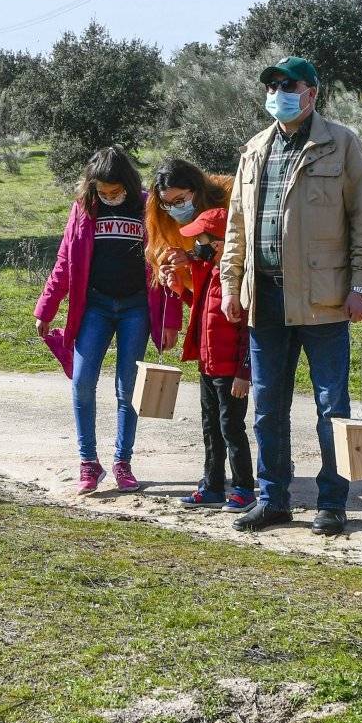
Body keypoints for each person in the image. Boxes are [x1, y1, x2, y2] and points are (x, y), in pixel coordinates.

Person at [216, 55, 362, 537]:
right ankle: (273, 500)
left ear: (312, 92)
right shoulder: (254, 149)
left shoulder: (341, 144)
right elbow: (237, 228)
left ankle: (332, 502)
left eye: (287, 85)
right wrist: (232, 285)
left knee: (332, 405)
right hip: (264, 299)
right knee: (268, 406)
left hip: (325, 298)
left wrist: (361, 284)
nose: (278, 93)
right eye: (271, 85)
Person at [34, 148, 178, 495]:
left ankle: (122, 462)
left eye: (116, 191)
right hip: (94, 306)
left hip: (136, 309)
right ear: (92, 186)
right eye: (104, 191)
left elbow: (167, 262)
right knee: (82, 382)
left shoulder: (148, 206)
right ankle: (88, 463)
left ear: (128, 184)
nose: (110, 197)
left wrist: (169, 319)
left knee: (128, 388)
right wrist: (45, 308)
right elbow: (65, 262)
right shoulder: (84, 209)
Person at [151, 160, 251, 509]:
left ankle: (243, 487)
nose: (199, 246)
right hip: (209, 365)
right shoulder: (209, 273)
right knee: (211, 425)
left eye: (204, 241)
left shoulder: (239, 282)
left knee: (232, 429)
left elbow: (250, 331)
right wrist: (179, 282)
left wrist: (243, 372)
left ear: (226, 242)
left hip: (230, 371)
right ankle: (211, 484)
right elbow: (200, 308)